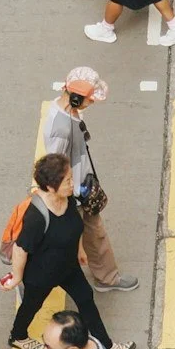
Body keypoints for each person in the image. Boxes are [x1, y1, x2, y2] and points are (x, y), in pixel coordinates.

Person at [39, 67, 139, 296]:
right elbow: (54, 167)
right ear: (75, 96)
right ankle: (35, 283)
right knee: (61, 243)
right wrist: (66, 196)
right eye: (89, 99)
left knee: (94, 232)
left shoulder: (67, 110)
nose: (91, 103)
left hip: (79, 186)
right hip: (72, 193)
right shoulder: (60, 129)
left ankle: (107, 276)